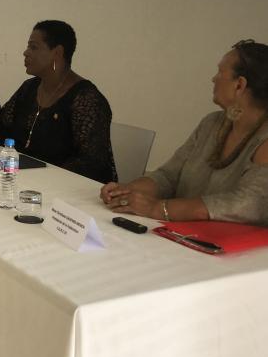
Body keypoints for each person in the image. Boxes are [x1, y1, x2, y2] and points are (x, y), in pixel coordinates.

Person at [101, 40, 268, 225]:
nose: (214, 79)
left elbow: (249, 204)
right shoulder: (211, 123)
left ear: (239, 85)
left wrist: (158, 208)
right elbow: (168, 176)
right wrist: (127, 192)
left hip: (224, 242)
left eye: (220, 73)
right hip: (177, 233)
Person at [0, 20, 116, 183]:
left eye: (33, 47)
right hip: (23, 181)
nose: (25, 52)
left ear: (57, 53)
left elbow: (92, 164)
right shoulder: (29, 88)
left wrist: (41, 178)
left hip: (65, 191)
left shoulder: (87, 99)